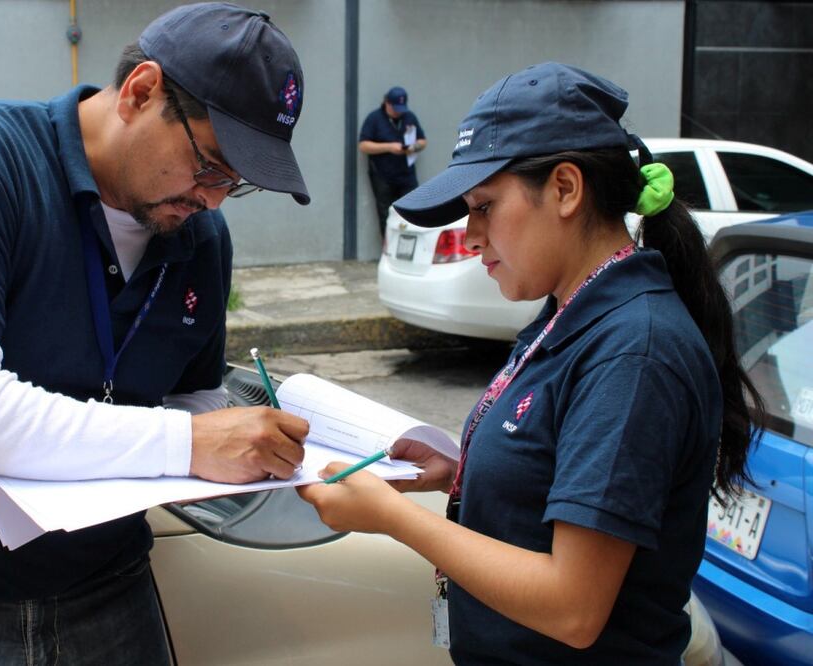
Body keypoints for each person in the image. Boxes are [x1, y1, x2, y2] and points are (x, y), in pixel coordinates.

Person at [0, 3, 312, 664]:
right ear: (141, 92)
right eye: (210, 165)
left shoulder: (199, 239)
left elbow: (191, 399)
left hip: (108, 598)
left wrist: (256, 444)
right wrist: (190, 439)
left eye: (237, 183)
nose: (214, 198)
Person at [299, 62, 763, 665]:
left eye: (485, 206)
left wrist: (390, 517)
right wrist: (466, 470)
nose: (471, 235)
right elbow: (561, 463)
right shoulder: (567, 311)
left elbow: (572, 606)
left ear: (566, 189)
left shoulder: (633, 350)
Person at [358, 86, 427, 238]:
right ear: (387, 103)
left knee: (412, 211)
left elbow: (423, 141)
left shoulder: (409, 117)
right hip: (383, 176)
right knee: (386, 215)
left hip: (406, 175)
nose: (398, 112)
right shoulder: (374, 119)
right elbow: (363, 145)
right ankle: (388, 250)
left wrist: (413, 147)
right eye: (395, 108)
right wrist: (389, 147)